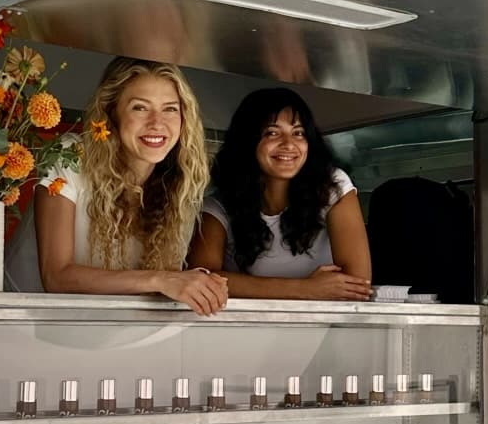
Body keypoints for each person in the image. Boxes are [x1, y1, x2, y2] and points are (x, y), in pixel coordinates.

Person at [32, 57, 226, 314]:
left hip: (104, 332)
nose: (157, 123)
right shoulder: (70, 156)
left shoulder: (182, 182)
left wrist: (199, 283)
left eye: (170, 109)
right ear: (111, 113)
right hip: (21, 326)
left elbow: (168, 285)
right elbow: (56, 277)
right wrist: (160, 279)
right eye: (140, 108)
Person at [188, 88, 372, 300]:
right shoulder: (218, 205)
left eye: (298, 133)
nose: (289, 144)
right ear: (248, 142)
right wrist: (306, 289)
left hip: (323, 330)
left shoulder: (332, 186)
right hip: (246, 330)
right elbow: (201, 280)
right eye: (272, 133)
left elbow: (358, 285)